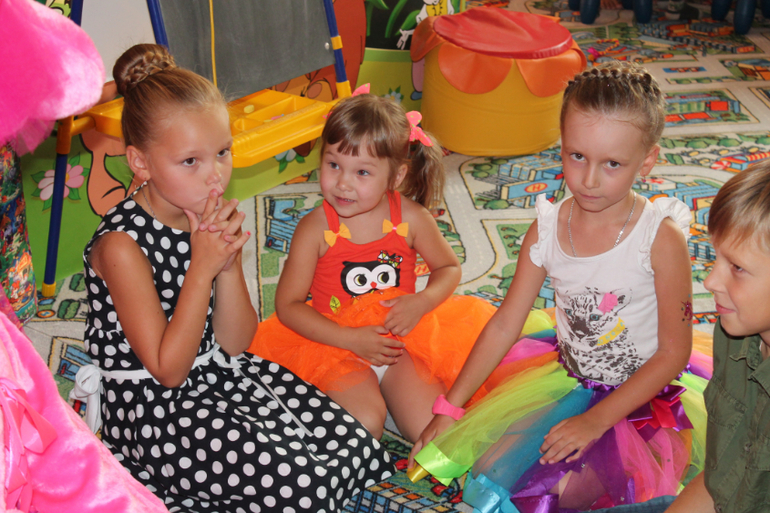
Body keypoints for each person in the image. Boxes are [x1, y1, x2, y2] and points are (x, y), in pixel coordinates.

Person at [78, 44, 394, 513]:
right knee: (303, 488)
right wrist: (202, 267)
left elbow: (235, 341)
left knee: (355, 445)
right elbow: (168, 370)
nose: (215, 177)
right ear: (140, 163)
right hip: (158, 411)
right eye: (191, 161)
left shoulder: (201, 213)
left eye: (222, 153)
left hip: (217, 375)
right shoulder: (121, 246)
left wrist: (227, 264)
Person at [407, 61, 711, 512]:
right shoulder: (548, 229)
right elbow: (505, 323)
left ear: (647, 161)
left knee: (559, 494)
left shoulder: (659, 238)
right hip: (570, 379)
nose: (589, 179)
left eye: (612, 164)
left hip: (643, 398)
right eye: (576, 156)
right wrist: (449, 409)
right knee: (490, 471)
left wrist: (595, 422)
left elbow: (673, 353)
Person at [247, 93, 497, 442]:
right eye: (333, 164)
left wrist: (422, 302)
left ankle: (394, 399)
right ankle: (369, 405)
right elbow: (287, 306)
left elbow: (448, 268)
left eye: (362, 172)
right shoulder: (314, 229)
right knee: (362, 427)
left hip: (402, 343)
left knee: (433, 432)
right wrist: (348, 338)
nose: (343, 183)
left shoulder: (412, 217)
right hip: (333, 345)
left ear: (396, 177)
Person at [666, 162, 770, 513]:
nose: (710, 282)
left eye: (737, 268)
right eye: (715, 258)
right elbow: (721, 480)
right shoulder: (734, 333)